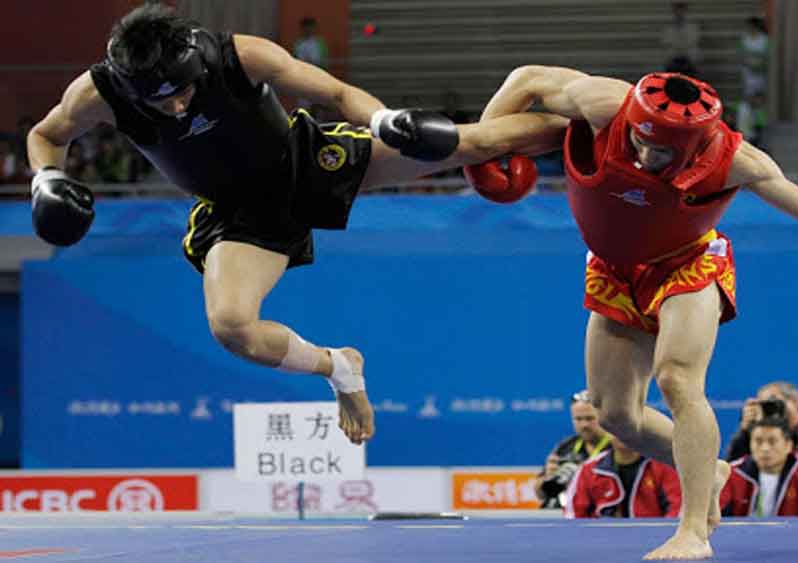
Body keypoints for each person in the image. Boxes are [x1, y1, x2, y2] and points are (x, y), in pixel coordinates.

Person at [463, 66, 798, 559]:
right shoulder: (604, 102)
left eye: (660, 148)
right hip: (614, 269)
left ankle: (693, 529)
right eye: (640, 138)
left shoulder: (735, 158)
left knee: (677, 380)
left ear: (690, 147)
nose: (643, 152)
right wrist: (483, 155)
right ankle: (710, 470)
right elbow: (527, 78)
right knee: (615, 415)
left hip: (689, 265)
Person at [25, 5, 567, 445]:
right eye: (160, 100)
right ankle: (340, 368)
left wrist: (382, 120)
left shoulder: (241, 55)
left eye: (183, 90)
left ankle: (595, 130)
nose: (177, 106)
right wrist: (46, 180)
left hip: (304, 161)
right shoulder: (97, 92)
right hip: (236, 212)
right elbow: (45, 135)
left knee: (469, 142)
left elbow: (334, 94)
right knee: (232, 327)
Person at [720, 417, 798, 517]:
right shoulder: (733, 473)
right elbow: (711, 516)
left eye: (772, 441)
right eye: (758, 441)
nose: (765, 448)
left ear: (788, 445)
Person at [725, 381, 798, 485]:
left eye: (773, 401)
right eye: (763, 404)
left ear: (795, 402)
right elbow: (731, 472)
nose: (769, 407)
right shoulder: (756, 439)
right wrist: (745, 431)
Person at [566, 434, 682, 518]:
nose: (622, 432)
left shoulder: (663, 465)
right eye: (615, 427)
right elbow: (574, 515)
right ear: (607, 431)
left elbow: (678, 509)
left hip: (654, 542)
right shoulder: (589, 469)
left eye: (627, 427)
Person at [535, 390, 612, 509]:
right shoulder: (565, 446)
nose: (584, 425)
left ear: (604, 417)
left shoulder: (618, 447)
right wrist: (548, 478)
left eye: (590, 418)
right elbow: (540, 493)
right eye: (578, 419)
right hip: (564, 512)